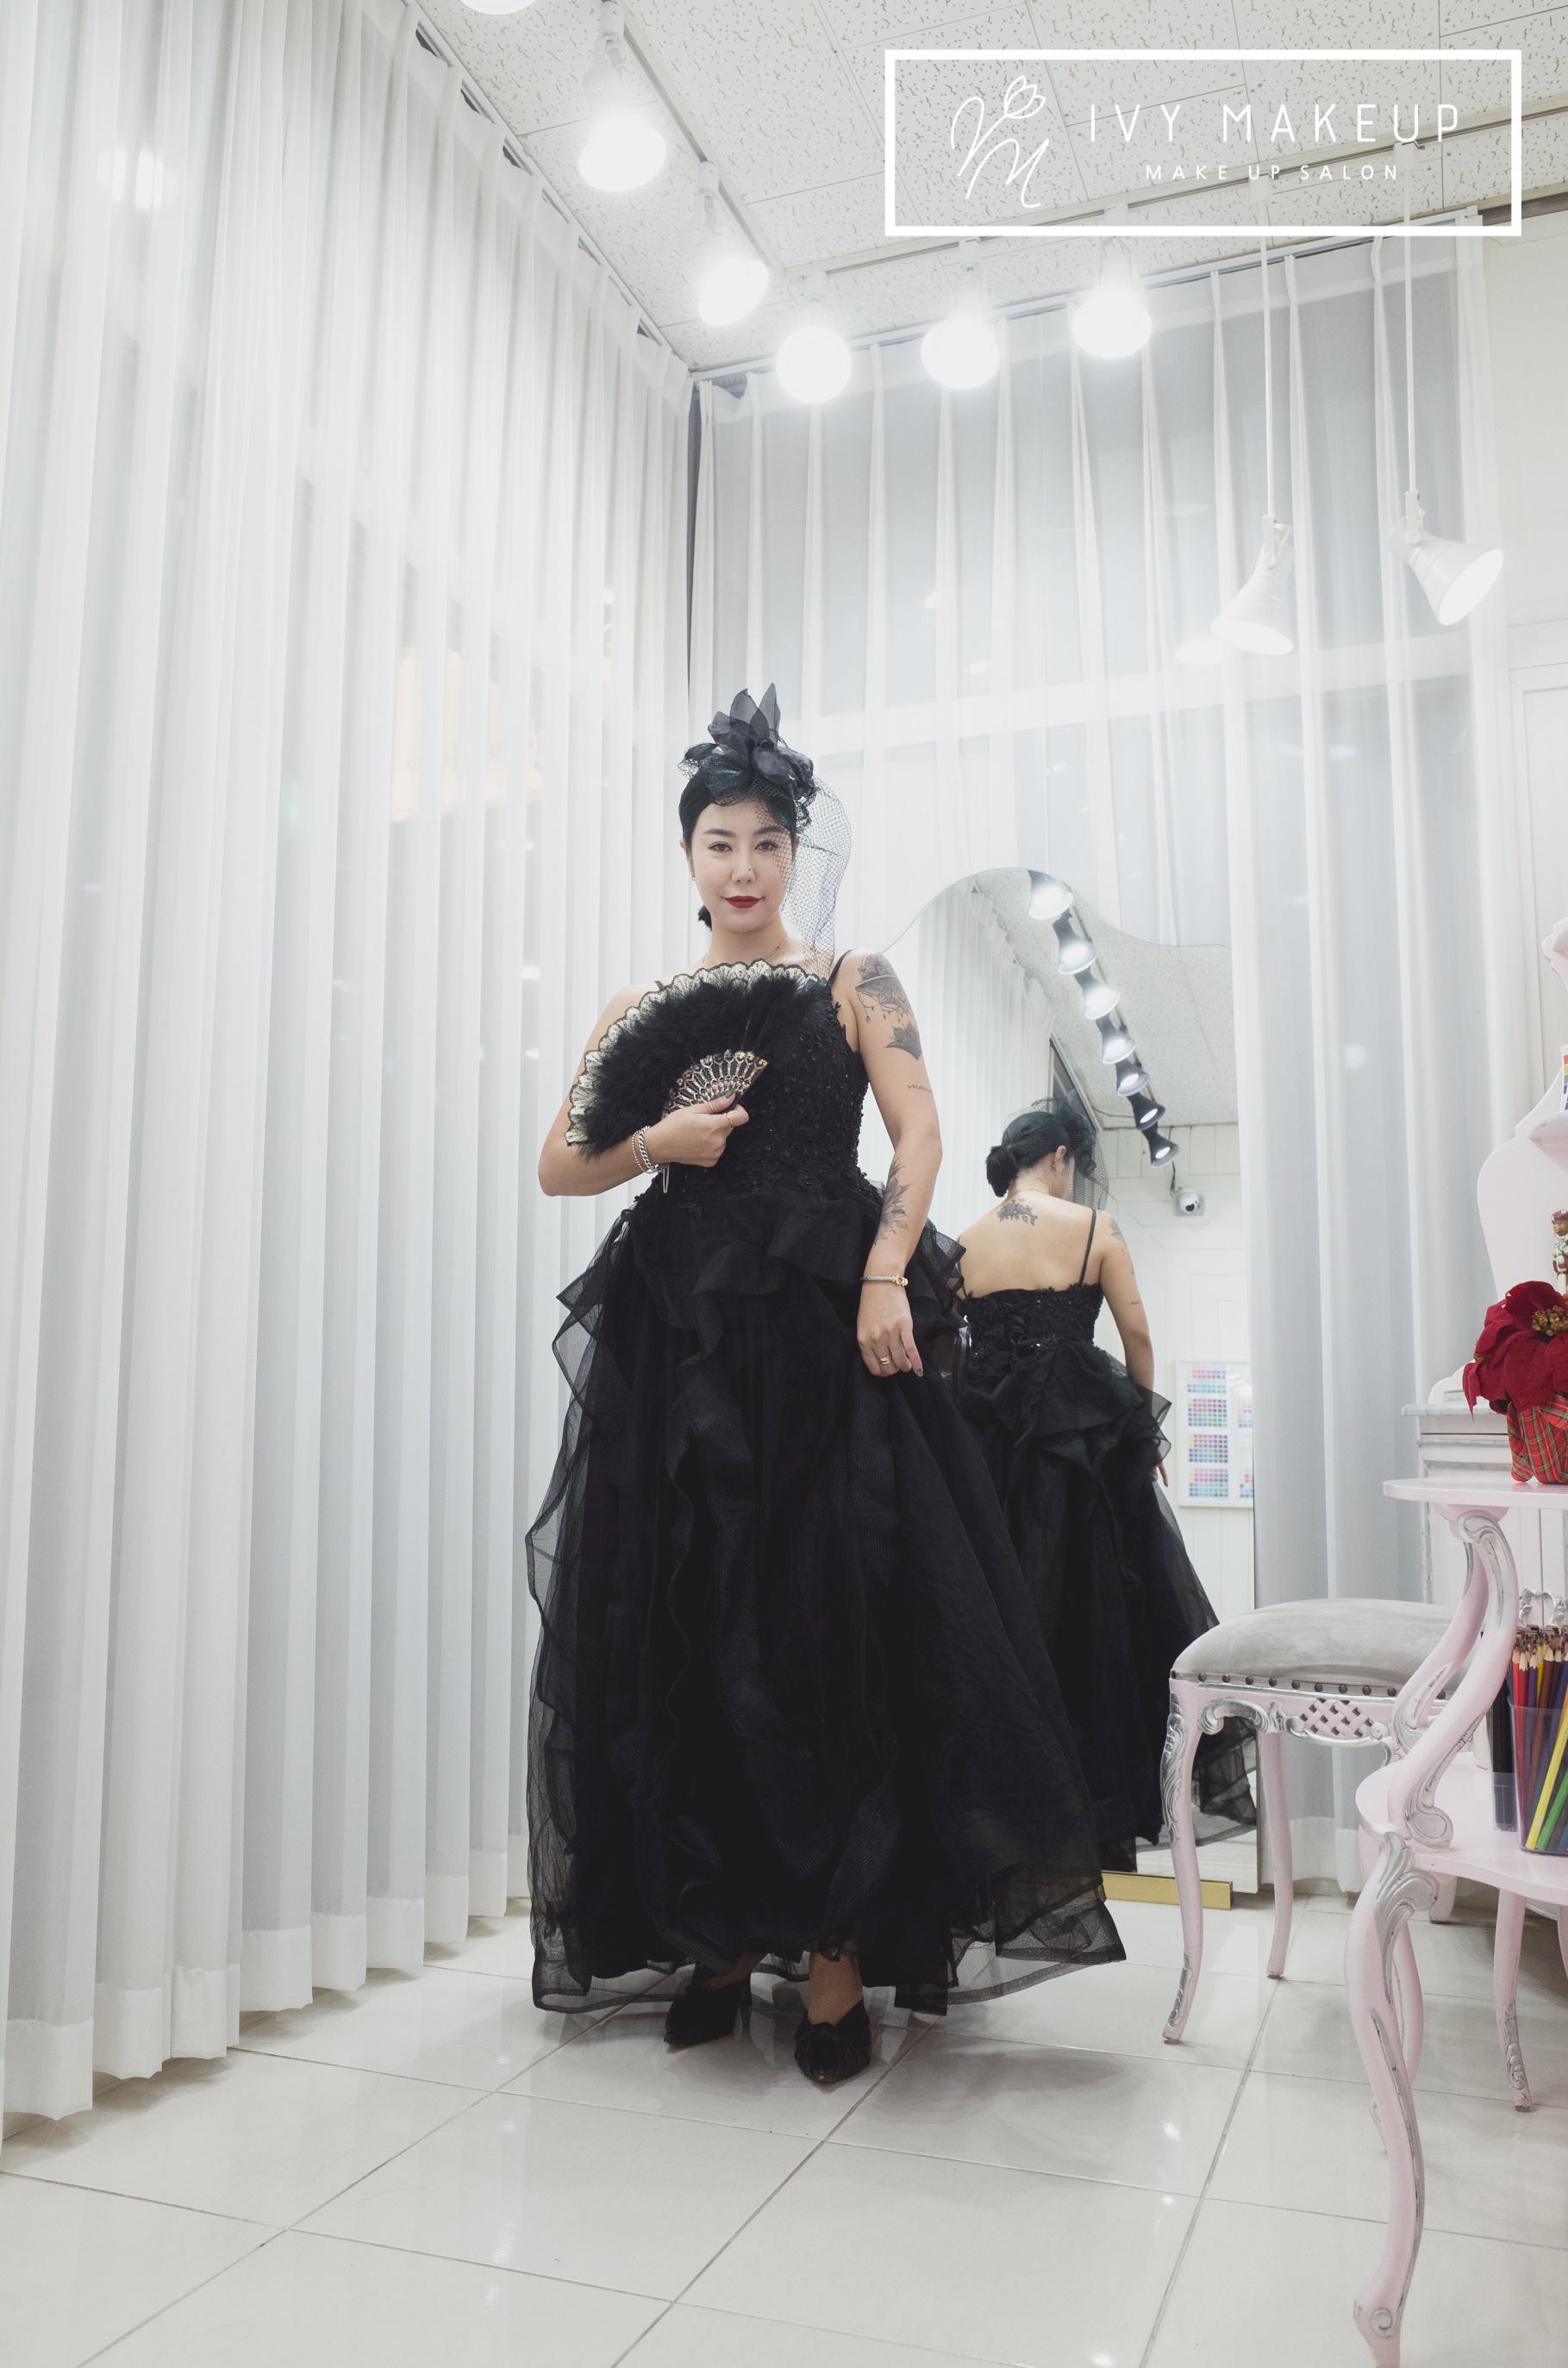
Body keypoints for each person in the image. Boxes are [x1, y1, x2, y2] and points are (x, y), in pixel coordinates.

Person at [527, 689, 1121, 2086]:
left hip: (823, 1335)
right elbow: (559, 1160)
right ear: (687, 856)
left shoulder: (852, 978)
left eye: (765, 840)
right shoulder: (640, 1008)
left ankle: (836, 1952)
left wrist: (882, 1272)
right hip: (678, 1340)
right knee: (684, 1623)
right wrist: (654, 1142)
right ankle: (717, 1933)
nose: (742, 866)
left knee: (825, 1622)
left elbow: (918, 1136)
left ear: (795, 852)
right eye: (718, 841)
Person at [954, 1103, 1253, 1873]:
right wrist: (1139, 1434)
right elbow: (1137, 1335)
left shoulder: (967, 1240)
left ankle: (1013, 1806)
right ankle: (1095, 1801)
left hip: (990, 1447)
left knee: (1005, 1616)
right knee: (1098, 1622)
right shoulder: (1093, 1229)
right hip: (1079, 1449)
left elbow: (950, 1348)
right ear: (1061, 1156)